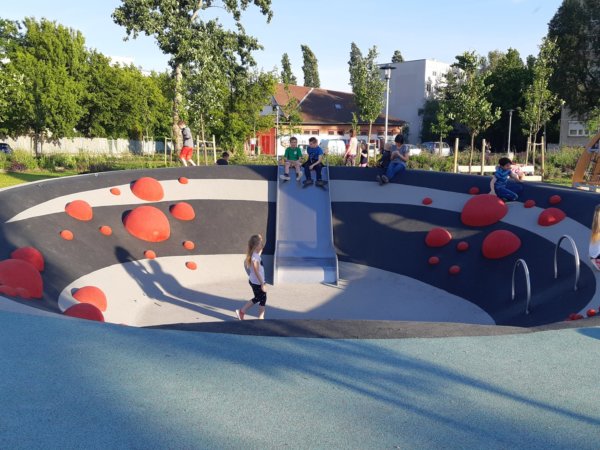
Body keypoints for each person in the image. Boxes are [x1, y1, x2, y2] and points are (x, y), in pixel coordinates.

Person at [236, 234, 267, 320]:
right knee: (260, 298)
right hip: (257, 282)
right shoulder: (255, 258)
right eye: (260, 244)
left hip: (255, 281)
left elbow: (261, 249)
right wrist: (262, 284)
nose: (262, 245)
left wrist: (260, 239)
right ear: (256, 246)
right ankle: (243, 311)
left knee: (261, 298)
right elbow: (256, 272)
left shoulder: (255, 254)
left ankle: (259, 316)